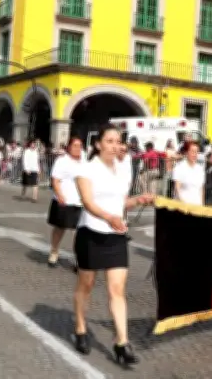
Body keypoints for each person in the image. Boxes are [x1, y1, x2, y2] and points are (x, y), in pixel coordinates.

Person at [72, 124, 154, 365]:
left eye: (117, 141)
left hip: (116, 235)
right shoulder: (87, 169)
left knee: (117, 290)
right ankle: (80, 328)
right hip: (91, 233)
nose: (114, 145)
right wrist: (108, 217)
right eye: (109, 141)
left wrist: (138, 200)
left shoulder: (121, 169)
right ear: (98, 144)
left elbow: (120, 203)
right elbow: (88, 202)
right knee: (86, 285)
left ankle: (122, 342)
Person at [47, 137, 85, 268]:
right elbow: (55, 180)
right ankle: (54, 251)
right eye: (75, 145)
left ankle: (78, 259)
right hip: (64, 200)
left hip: (80, 202)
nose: (78, 148)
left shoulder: (84, 162)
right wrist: (60, 194)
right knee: (60, 228)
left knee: (78, 232)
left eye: (80, 146)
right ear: (68, 147)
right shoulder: (62, 161)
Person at [171, 141, 205, 205]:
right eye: (192, 151)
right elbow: (177, 189)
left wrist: (202, 204)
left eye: (196, 152)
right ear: (186, 153)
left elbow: (201, 189)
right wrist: (184, 204)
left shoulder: (200, 169)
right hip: (183, 207)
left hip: (197, 206)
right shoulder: (179, 168)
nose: (195, 154)